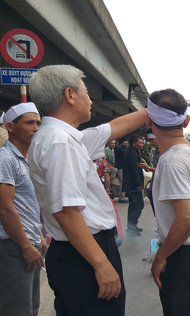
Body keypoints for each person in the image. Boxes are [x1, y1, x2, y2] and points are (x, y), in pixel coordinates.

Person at [28, 64, 148, 315]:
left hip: (75, 252)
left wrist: (153, 111)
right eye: (86, 92)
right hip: (83, 255)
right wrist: (101, 264)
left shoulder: (64, 137)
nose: (90, 99)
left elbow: (114, 128)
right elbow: (67, 213)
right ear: (70, 95)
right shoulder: (60, 142)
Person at [146, 89, 190, 316]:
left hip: (183, 260)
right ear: (185, 121)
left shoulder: (171, 161)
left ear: (149, 121)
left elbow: (187, 219)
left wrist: (160, 257)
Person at [0, 102, 47, 315]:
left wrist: (38, 236)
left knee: (31, 306)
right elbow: (5, 209)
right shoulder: (5, 158)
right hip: (13, 246)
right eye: (29, 123)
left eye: (38, 123)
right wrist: (27, 246)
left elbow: (25, 204)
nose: (36, 128)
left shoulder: (25, 159)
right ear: (10, 126)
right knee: (17, 309)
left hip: (28, 243)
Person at [122, 135, 147, 236]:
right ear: (134, 143)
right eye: (140, 142)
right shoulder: (132, 154)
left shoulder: (134, 152)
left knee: (133, 206)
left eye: (142, 142)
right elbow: (134, 170)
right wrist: (139, 184)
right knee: (138, 205)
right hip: (133, 185)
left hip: (131, 184)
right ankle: (131, 228)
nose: (142, 144)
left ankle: (132, 227)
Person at [144, 130, 159, 215]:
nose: (150, 142)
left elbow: (163, 170)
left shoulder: (165, 151)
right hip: (154, 184)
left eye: (152, 140)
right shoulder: (156, 151)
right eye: (149, 140)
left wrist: (149, 168)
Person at [114, 139, 129, 203]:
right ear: (120, 144)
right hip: (120, 168)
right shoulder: (120, 150)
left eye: (127, 144)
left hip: (121, 168)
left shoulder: (118, 150)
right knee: (122, 183)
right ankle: (121, 197)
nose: (126, 145)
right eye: (124, 144)